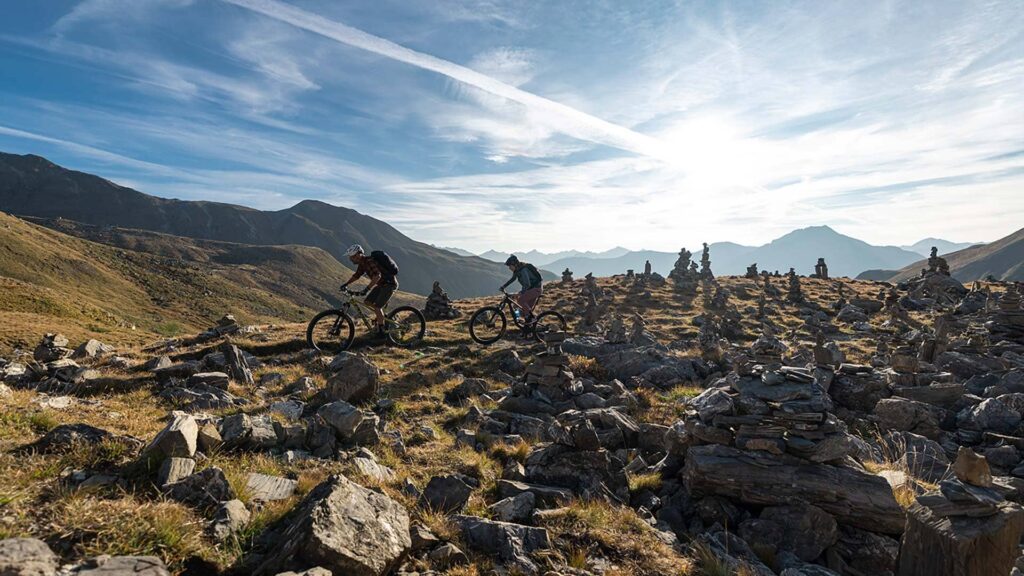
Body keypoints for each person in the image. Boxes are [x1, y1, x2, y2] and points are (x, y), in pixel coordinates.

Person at [340, 244, 399, 336]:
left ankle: (381, 331)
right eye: (350, 257)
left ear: (359, 254)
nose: (351, 259)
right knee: (367, 302)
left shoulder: (369, 261)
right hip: (381, 285)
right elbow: (357, 275)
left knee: (377, 307)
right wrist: (346, 284)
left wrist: (367, 289)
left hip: (389, 284)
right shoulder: (362, 264)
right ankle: (382, 317)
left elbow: (377, 276)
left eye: (352, 257)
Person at [500, 255, 543, 323]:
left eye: (510, 266)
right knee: (522, 309)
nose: (509, 268)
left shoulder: (523, 270)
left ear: (515, 264)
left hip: (536, 289)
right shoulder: (517, 270)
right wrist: (503, 286)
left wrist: (520, 293)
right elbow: (512, 279)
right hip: (531, 290)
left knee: (520, 301)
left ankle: (532, 318)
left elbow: (527, 284)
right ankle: (529, 324)